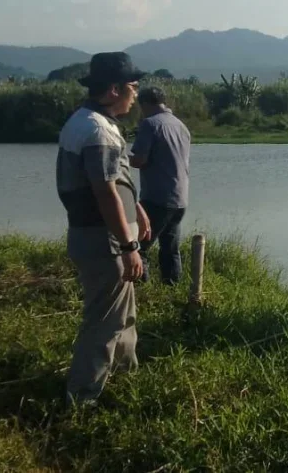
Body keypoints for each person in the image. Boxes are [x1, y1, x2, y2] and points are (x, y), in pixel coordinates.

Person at [55, 51, 151, 405]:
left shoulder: (87, 121)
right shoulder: (98, 131)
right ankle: (82, 399)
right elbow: (104, 190)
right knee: (104, 322)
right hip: (104, 240)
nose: (136, 94)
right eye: (133, 87)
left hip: (98, 235)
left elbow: (115, 181)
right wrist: (128, 247)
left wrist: (136, 208)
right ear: (114, 89)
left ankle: (124, 381)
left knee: (123, 315)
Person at [129, 86, 191, 285]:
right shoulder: (180, 125)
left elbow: (139, 160)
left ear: (145, 104)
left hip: (156, 197)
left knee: (140, 248)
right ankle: (171, 289)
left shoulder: (149, 124)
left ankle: (142, 294)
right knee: (170, 249)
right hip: (180, 198)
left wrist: (117, 156)